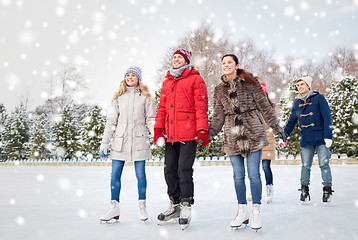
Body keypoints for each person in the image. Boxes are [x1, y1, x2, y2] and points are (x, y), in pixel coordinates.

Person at [208, 54, 286, 231]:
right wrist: (210, 134)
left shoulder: (251, 83)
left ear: (236, 65)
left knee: (254, 174)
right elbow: (218, 116)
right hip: (232, 134)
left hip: (253, 132)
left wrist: (276, 127)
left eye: (229, 62)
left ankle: (256, 211)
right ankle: (241, 210)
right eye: (223, 63)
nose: (226, 65)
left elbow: (265, 107)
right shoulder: (219, 89)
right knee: (237, 176)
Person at [153, 48, 209, 229]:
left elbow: (201, 106)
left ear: (186, 61)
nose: (176, 60)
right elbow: (162, 108)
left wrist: (202, 130)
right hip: (171, 135)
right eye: (174, 57)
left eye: (179, 57)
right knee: (169, 170)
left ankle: (186, 205)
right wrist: (158, 129)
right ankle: (174, 204)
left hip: (188, 133)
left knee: (184, 170)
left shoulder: (196, 79)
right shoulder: (167, 82)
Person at [99, 66, 156, 223]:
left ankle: (142, 205)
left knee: (140, 175)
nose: (130, 77)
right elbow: (111, 122)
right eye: (128, 75)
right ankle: (114, 207)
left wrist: (157, 134)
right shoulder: (118, 98)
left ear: (139, 78)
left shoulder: (146, 98)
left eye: (133, 75)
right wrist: (105, 142)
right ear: (125, 78)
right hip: (120, 140)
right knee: (115, 175)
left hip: (139, 140)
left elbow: (151, 119)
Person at [283, 76, 334, 204]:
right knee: (306, 165)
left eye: (302, 84)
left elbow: (327, 117)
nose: (300, 87)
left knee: (324, 164)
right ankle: (304, 190)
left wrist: (328, 136)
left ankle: (327, 189)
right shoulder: (297, 103)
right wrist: (283, 135)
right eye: (298, 85)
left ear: (308, 86)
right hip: (306, 139)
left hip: (321, 138)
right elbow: (291, 122)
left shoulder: (319, 98)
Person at [259, 82, 276, 204]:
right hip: (254, 141)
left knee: (265, 166)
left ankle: (269, 188)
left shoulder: (270, 109)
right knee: (253, 168)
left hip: (267, 140)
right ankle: (255, 191)